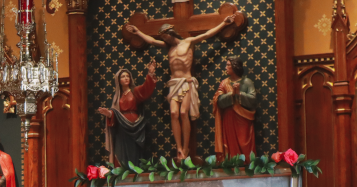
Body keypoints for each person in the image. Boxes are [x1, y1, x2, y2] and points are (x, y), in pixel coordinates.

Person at [125, 16, 236, 160]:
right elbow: (151, 41)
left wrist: (223, 23)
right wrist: (137, 31)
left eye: (166, 36)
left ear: (172, 33)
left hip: (186, 82)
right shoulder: (167, 47)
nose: (166, 40)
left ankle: (185, 147)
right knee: (173, 113)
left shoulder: (188, 42)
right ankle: (178, 147)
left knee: (184, 113)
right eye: (163, 38)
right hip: (174, 83)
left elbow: (207, 34)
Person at [98, 61, 158, 168]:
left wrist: (150, 74)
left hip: (135, 127)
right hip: (122, 129)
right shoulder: (117, 97)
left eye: (127, 76)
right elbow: (115, 112)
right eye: (123, 76)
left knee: (134, 152)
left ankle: (134, 171)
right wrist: (109, 113)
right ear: (118, 80)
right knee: (120, 152)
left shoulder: (135, 91)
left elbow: (146, 88)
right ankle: (122, 172)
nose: (126, 78)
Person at [212, 56, 257, 158]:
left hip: (244, 118)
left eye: (228, 65)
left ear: (235, 66)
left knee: (244, 142)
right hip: (229, 118)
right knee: (231, 143)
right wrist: (231, 94)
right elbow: (218, 101)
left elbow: (253, 101)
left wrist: (239, 94)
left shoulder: (247, 82)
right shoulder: (224, 83)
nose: (225, 68)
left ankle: (247, 164)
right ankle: (232, 163)